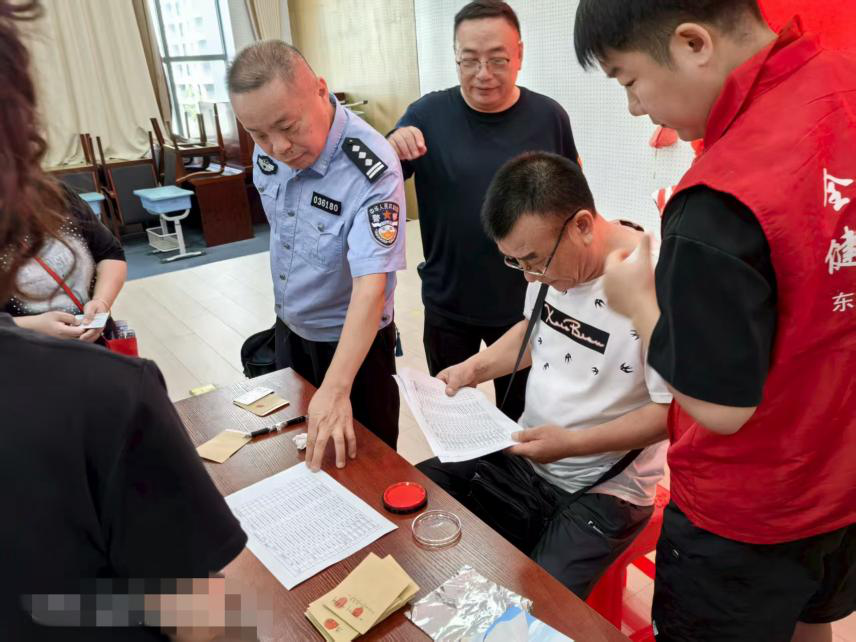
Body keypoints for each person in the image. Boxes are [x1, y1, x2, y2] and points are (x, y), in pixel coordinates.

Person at [574, 1, 856, 640]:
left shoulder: (718, 200)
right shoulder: (843, 84)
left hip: (752, 511)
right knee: (812, 619)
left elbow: (721, 409)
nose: (635, 108)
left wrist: (640, 305)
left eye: (629, 80)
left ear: (692, 43)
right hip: (840, 474)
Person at [0, 2, 248, 640]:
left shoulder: (57, 198)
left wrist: (98, 308)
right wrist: (29, 334)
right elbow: (196, 619)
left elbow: (109, 252)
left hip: (89, 345)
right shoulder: (108, 398)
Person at [417, 152, 670, 598]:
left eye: (534, 261)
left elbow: (671, 414)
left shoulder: (657, 284)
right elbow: (534, 332)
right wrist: (473, 368)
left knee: (535, 602)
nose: (531, 277)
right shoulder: (552, 269)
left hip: (605, 490)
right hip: (529, 454)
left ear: (582, 226)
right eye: (516, 263)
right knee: (417, 497)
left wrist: (571, 444)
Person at [388, 0, 578, 421]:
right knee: (453, 419)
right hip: (449, 302)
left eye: (497, 60)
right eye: (469, 60)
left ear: (519, 54)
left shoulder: (549, 117)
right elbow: (380, 180)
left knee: (523, 421)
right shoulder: (426, 115)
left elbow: (576, 204)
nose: (483, 74)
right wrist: (390, 145)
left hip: (526, 306)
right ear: (455, 57)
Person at [228, 41, 407, 471]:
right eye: (258, 134)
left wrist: (337, 387)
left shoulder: (370, 167)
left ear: (321, 91)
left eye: (288, 126)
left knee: (366, 466)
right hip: (290, 329)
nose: (277, 147)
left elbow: (371, 287)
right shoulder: (269, 144)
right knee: (300, 451)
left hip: (352, 347)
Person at [6, 184, 127, 343]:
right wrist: (31, 325)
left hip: (96, 337)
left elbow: (110, 253)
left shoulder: (57, 194)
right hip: (24, 348)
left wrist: (101, 301)